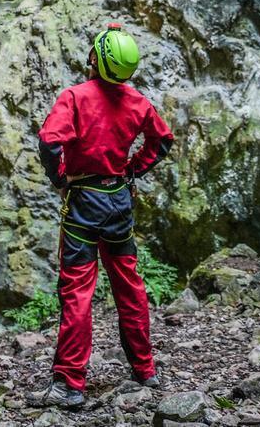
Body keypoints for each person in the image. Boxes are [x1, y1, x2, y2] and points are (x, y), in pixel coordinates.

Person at [31, 23, 174, 409]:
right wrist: (133, 170)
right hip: (119, 201)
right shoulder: (139, 103)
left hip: (84, 203)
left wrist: (60, 178)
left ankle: (69, 384)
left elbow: (49, 142)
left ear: (94, 58)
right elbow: (162, 141)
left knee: (78, 291)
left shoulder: (75, 97)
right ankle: (145, 369)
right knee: (129, 283)